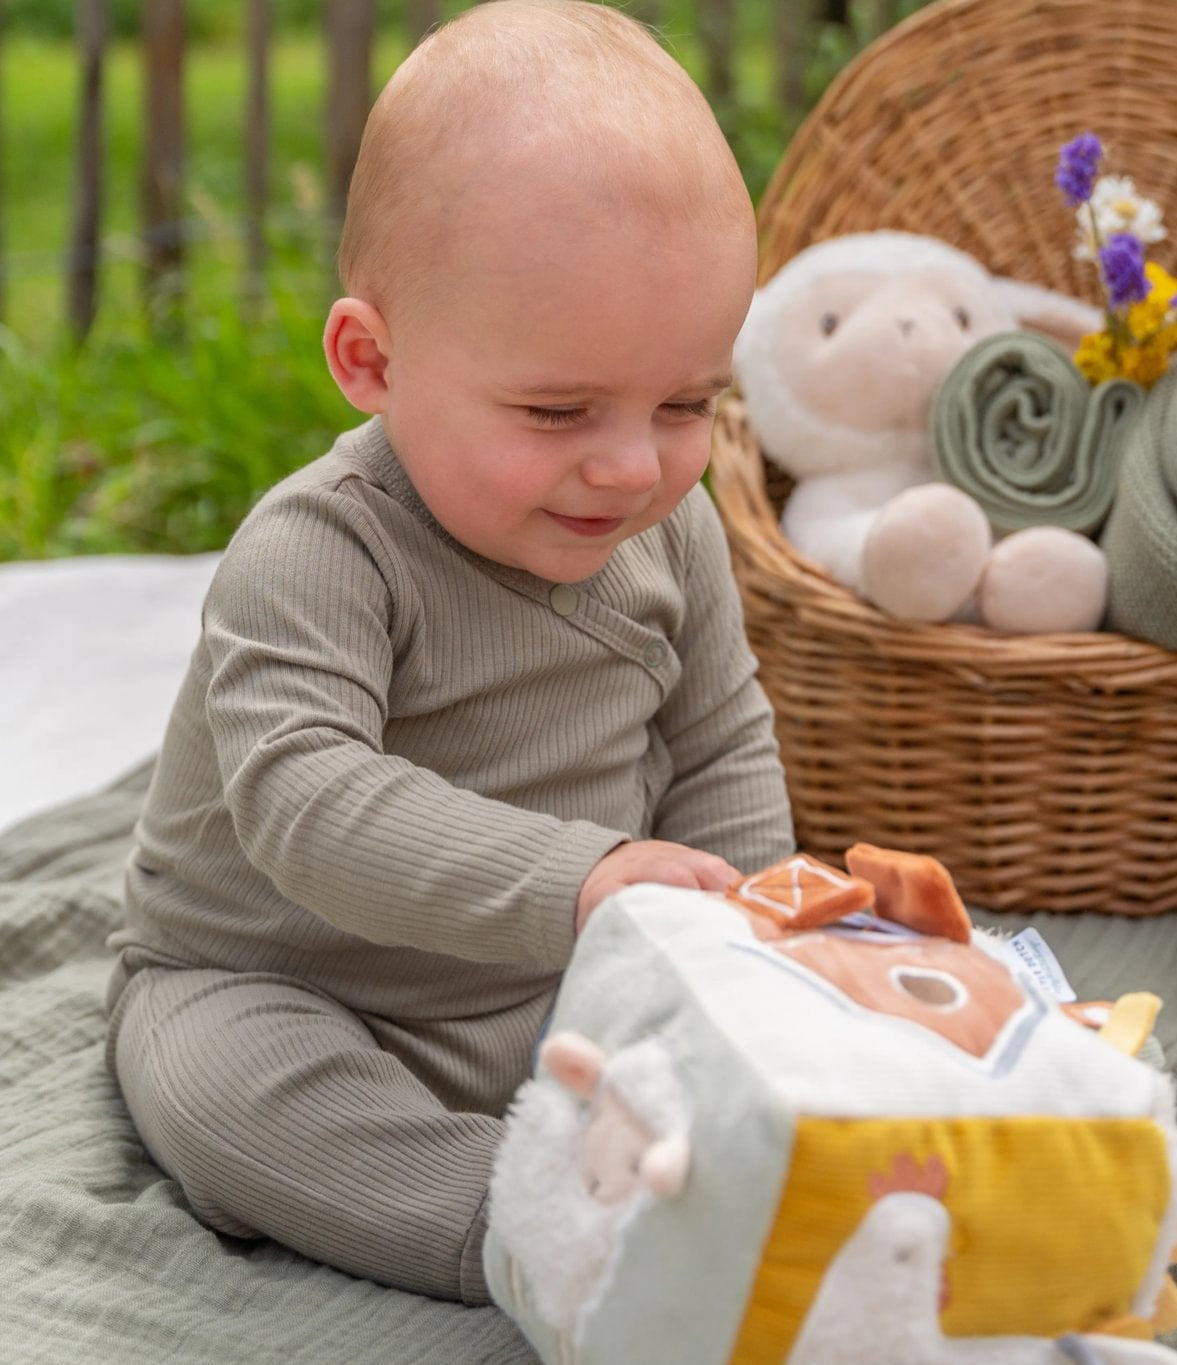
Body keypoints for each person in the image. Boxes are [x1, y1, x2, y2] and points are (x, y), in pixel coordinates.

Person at [104, 0, 794, 1306]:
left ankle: (661, 1152)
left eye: (684, 401)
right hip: (289, 982)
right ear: (372, 358)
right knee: (222, 1090)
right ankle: (526, 1222)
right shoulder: (320, 553)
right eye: (557, 409)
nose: (631, 462)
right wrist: (588, 878)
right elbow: (308, 805)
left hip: (555, 980)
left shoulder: (671, 526)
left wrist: (750, 970)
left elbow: (717, 745)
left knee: (741, 1064)